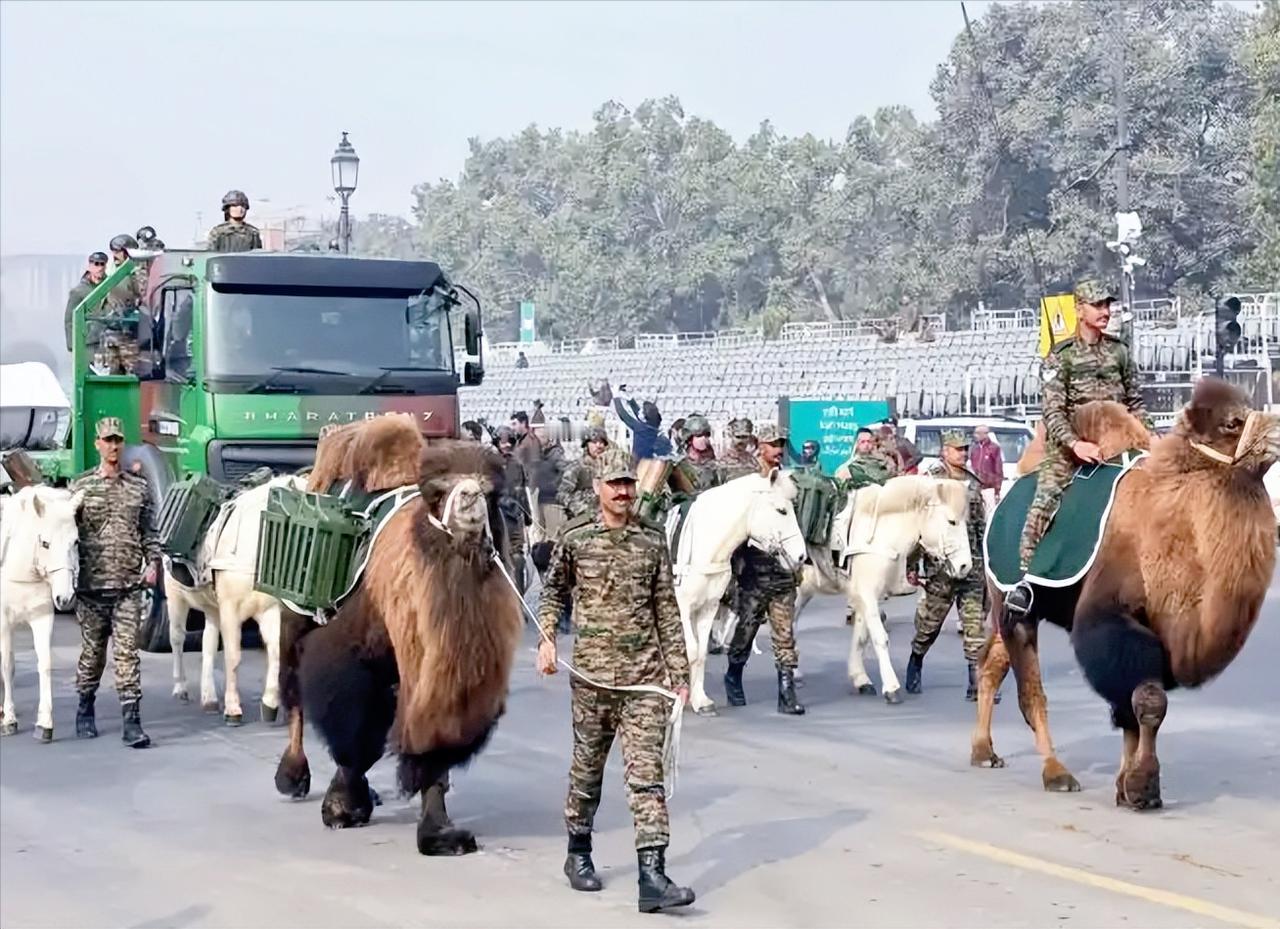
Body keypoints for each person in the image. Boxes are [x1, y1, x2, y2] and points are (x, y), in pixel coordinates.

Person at [535, 446, 695, 913]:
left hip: (645, 681)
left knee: (647, 777)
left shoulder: (651, 539)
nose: (624, 492)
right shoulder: (577, 538)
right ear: (597, 488)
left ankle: (652, 875)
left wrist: (679, 673)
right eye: (615, 484)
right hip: (592, 679)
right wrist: (547, 639)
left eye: (628, 484)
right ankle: (578, 852)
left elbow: (666, 607)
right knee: (588, 772)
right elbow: (552, 595)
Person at [1006, 279, 1150, 615]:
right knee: (1045, 499)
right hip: (1072, 449)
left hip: (1120, 447)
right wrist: (1075, 444)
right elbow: (1052, 411)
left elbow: (1136, 401)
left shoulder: (1120, 351)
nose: (1105, 311)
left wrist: (1148, 435)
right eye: (1098, 305)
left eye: (1108, 305)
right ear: (1079, 309)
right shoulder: (1061, 357)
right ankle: (1023, 583)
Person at [71, 417, 161, 748]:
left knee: (127, 655)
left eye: (118, 440)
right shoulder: (81, 488)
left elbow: (149, 532)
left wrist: (153, 563)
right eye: (107, 440)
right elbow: (67, 536)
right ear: (97, 443)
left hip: (128, 587)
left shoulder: (138, 488)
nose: (113, 446)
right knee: (93, 655)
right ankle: (85, 708)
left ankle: (131, 721)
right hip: (92, 588)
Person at [904, 431, 992, 701]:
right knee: (929, 625)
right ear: (944, 451)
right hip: (941, 568)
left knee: (974, 626)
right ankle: (916, 661)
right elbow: (921, 526)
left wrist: (987, 564)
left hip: (972, 566)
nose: (963, 453)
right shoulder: (932, 482)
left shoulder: (973, 484)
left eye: (965, 449)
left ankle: (976, 682)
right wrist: (912, 563)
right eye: (957, 449)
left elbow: (981, 526)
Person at [723, 424, 805, 716]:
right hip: (752, 570)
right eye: (773, 443)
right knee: (746, 629)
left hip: (781, 573)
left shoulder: (786, 481)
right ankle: (733, 674)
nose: (779, 449)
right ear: (760, 447)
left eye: (781, 443)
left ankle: (786, 692)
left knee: (785, 634)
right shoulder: (744, 480)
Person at [494, 427, 531, 593]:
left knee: (518, 559)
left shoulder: (517, 464)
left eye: (509, 442)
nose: (506, 446)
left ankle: (519, 600)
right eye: (502, 442)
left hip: (515, 517)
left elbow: (522, 490)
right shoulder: (491, 464)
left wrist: (528, 514)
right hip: (497, 517)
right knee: (500, 559)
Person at [559, 426, 611, 520]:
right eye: (594, 442)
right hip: (583, 518)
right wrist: (582, 509)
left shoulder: (609, 468)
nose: (599, 446)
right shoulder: (577, 467)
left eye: (602, 442)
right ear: (586, 444)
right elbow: (562, 494)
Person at [64, 251, 108, 351]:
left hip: (107, 338)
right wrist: (73, 345)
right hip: (88, 342)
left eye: (102, 264)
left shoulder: (110, 285)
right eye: (96, 264)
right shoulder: (78, 292)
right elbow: (69, 320)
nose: (100, 268)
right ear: (89, 266)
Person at [613, 394, 672, 460]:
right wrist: (630, 400)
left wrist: (616, 397)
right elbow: (640, 414)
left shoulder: (641, 429)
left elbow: (623, 415)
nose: (640, 411)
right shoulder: (652, 425)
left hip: (638, 463)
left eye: (642, 411)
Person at [677, 414, 720, 492]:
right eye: (699, 435)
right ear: (689, 439)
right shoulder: (680, 468)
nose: (705, 439)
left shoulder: (712, 464)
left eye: (706, 435)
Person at [969, 424, 1004, 516]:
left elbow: (998, 469)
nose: (975, 435)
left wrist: (997, 490)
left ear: (984, 434)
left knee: (989, 513)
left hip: (989, 487)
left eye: (977, 433)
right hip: (975, 488)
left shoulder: (994, 448)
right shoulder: (974, 449)